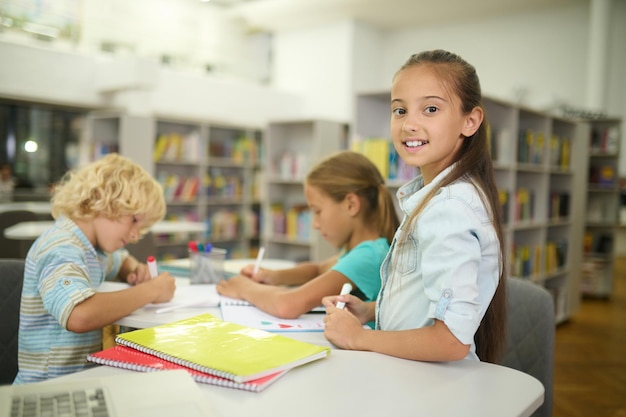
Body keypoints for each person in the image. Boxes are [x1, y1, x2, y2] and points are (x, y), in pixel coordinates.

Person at [322, 49, 507, 364]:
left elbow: (451, 341)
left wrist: (358, 337)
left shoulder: (449, 208)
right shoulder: (434, 197)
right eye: (400, 110)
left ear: (470, 120)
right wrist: (370, 310)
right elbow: (424, 300)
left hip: (430, 388)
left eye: (431, 109)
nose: (409, 124)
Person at [14, 153, 176, 384]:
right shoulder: (61, 247)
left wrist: (134, 268)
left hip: (79, 382)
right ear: (100, 199)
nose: (135, 235)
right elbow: (79, 314)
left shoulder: (93, 249)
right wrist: (151, 290)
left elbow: (119, 261)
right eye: (134, 220)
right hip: (46, 388)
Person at [216, 150, 400, 319]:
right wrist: (272, 277)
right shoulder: (367, 248)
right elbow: (319, 269)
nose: (315, 224)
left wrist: (244, 287)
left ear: (351, 205)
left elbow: (287, 305)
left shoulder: (369, 255)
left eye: (317, 211)